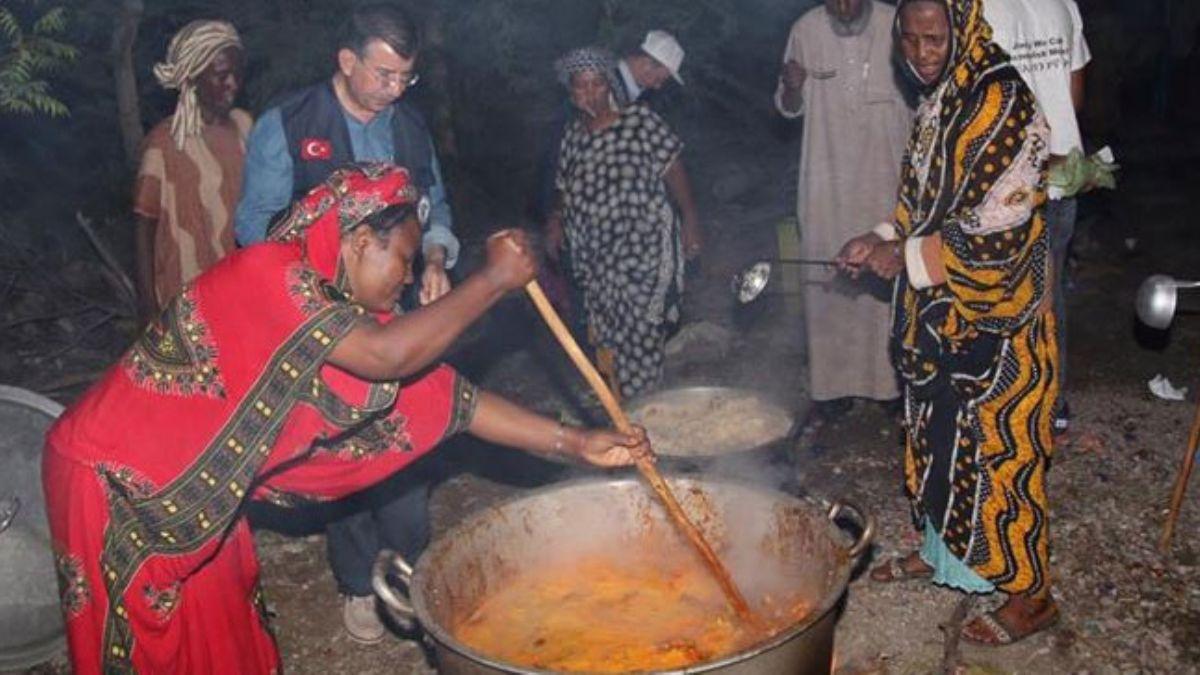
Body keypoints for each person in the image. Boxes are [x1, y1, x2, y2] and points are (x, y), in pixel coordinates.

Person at [43, 163, 651, 675]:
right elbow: (389, 358)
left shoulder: (335, 312)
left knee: (226, 638)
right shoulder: (267, 273)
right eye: (405, 261)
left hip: (201, 503)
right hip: (114, 485)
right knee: (152, 653)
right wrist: (494, 280)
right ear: (360, 241)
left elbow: (451, 401)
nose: (409, 280)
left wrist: (576, 443)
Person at [232, 4, 460, 642]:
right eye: (384, 75)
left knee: (409, 442)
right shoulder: (290, 124)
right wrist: (316, 278)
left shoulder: (409, 128)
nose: (394, 90)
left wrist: (436, 256)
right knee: (344, 446)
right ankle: (359, 583)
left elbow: (433, 204)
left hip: (402, 312)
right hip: (325, 320)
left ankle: (409, 564)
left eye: (405, 78)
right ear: (348, 61)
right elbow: (253, 227)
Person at [836, 0, 1060, 646]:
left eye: (935, 38)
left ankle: (1031, 593)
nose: (922, 53)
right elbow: (923, 201)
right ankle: (946, 556)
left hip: (1000, 318)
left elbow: (1000, 234)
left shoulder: (1002, 101)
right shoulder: (942, 96)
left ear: (962, 28)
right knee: (940, 439)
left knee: (1001, 453)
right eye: (909, 39)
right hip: (942, 314)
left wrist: (901, 257)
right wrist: (877, 236)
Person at [774, 0, 912, 427]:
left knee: (889, 280)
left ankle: (892, 386)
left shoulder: (899, 22)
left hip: (886, 173)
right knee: (829, 279)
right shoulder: (805, 29)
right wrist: (792, 87)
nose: (845, 6)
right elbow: (788, 107)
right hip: (826, 180)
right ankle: (832, 389)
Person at [545, 47, 700, 399]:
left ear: (610, 85)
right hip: (595, 259)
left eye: (596, 84)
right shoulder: (573, 136)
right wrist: (555, 219)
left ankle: (647, 412)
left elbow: (675, 170)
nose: (589, 94)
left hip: (642, 253)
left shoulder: (639, 121)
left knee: (642, 332)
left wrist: (690, 220)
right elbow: (562, 187)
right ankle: (627, 418)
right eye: (580, 87)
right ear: (571, 93)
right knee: (608, 339)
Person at [984, 0, 1090, 435]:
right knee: (1050, 294)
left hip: (1003, 183)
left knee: (996, 291)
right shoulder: (1063, 2)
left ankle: (1008, 403)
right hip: (1062, 175)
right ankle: (1053, 403)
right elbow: (1075, 91)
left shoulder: (975, 7)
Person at [133, 20, 249, 323]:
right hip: (185, 291)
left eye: (237, 73)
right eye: (221, 75)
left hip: (240, 284)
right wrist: (146, 306)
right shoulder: (166, 142)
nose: (233, 84)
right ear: (192, 76)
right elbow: (143, 228)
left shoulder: (245, 126)